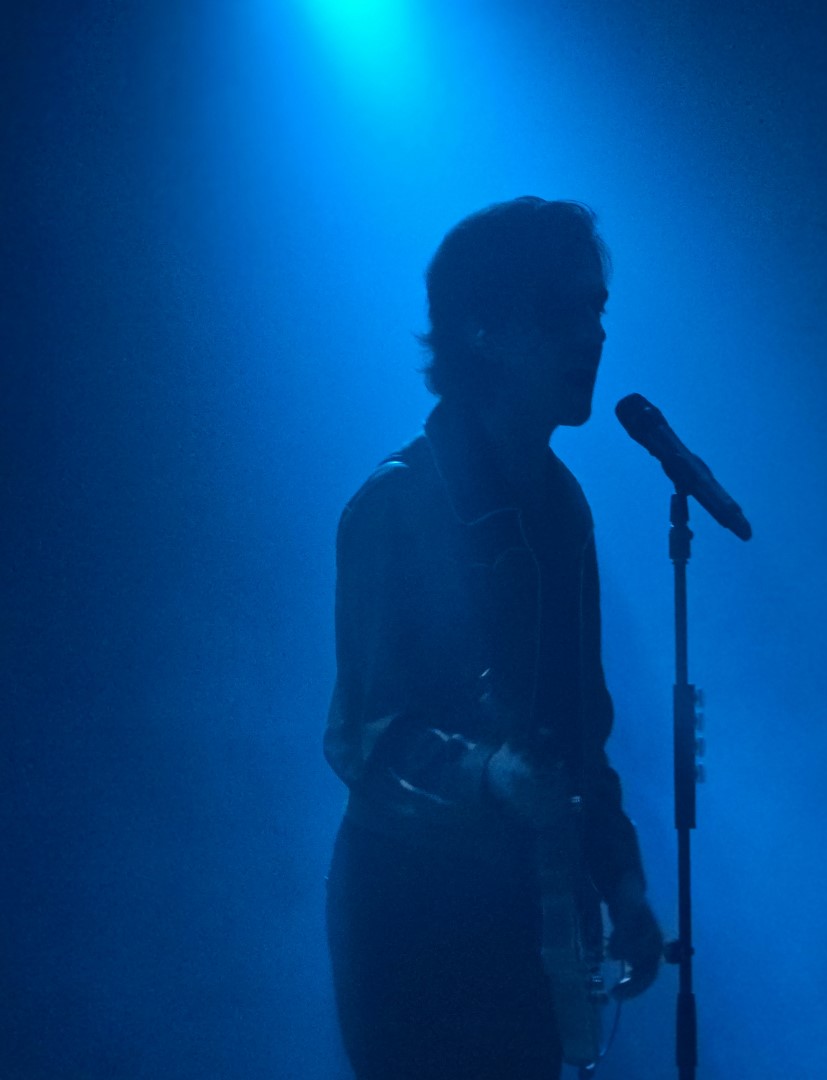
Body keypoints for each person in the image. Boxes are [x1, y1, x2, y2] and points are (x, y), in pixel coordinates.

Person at [323, 196, 664, 1080]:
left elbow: (580, 730)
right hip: (413, 916)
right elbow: (361, 737)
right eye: (565, 310)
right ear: (484, 330)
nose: (593, 335)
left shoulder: (563, 507)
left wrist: (622, 882)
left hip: (525, 915)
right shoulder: (396, 504)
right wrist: (489, 774)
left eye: (597, 309)